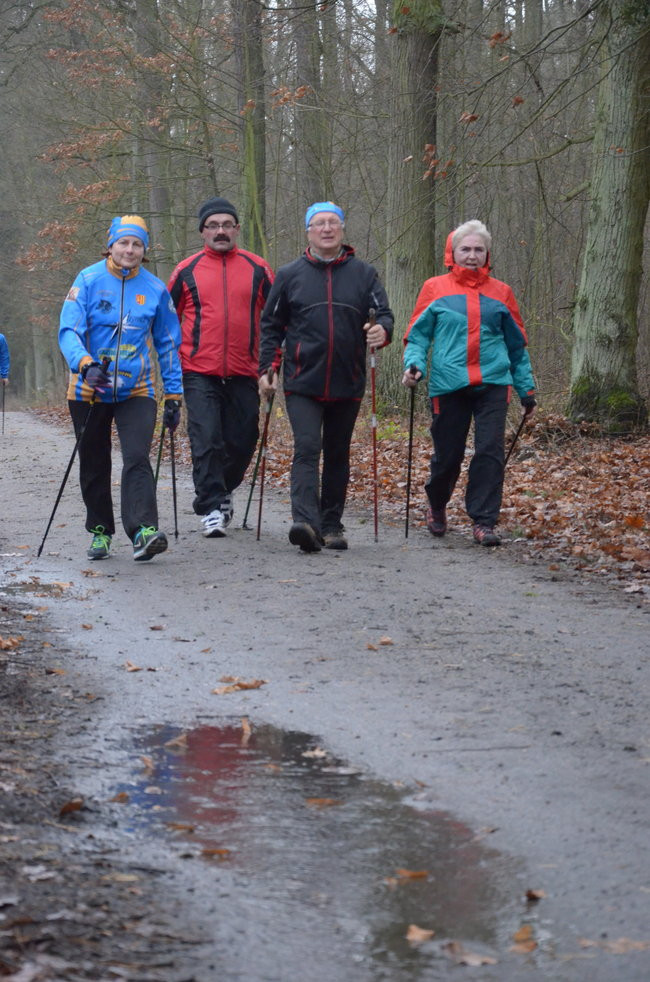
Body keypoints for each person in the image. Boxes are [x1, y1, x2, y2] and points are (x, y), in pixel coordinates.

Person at [259, 201, 393, 553]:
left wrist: (382, 331)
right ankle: (306, 523)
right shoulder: (289, 274)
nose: (327, 228)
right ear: (308, 232)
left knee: (337, 452)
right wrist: (267, 369)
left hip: (348, 380)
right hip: (302, 380)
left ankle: (331, 525)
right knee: (307, 447)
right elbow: (271, 327)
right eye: (319, 223)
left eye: (333, 222)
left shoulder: (364, 274)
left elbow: (384, 316)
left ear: (342, 229)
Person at [402, 219, 536, 547]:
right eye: (466, 249)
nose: (472, 255)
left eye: (479, 249)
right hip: (449, 383)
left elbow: (517, 347)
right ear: (452, 252)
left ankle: (484, 520)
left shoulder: (502, 292)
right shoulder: (434, 288)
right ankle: (437, 504)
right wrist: (414, 365)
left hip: (494, 381)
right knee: (448, 455)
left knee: (490, 451)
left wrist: (526, 389)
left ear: (487, 253)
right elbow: (417, 337)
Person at [59, 215, 183, 562]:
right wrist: (85, 364)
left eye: (137, 244)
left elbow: (168, 343)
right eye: (124, 242)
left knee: (137, 456)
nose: (130, 250)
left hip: (136, 389)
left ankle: (143, 531)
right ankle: (100, 531)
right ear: (110, 245)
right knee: (94, 461)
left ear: (145, 249)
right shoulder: (87, 280)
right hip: (89, 388)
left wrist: (174, 393)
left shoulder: (155, 289)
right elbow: (68, 331)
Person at [168, 197, 274, 538]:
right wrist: (170, 367)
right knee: (207, 439)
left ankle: (224, 489)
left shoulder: (258, 268)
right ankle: (211, 507)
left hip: (245, 371)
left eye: (227, 225)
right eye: (213, 226)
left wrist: (271, 365)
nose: (220, 231)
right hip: (198, 371)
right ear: (202, 231)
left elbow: (276, 320)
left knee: (243, 440)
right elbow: (166, 322)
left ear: (237, 229)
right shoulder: (186, 270)